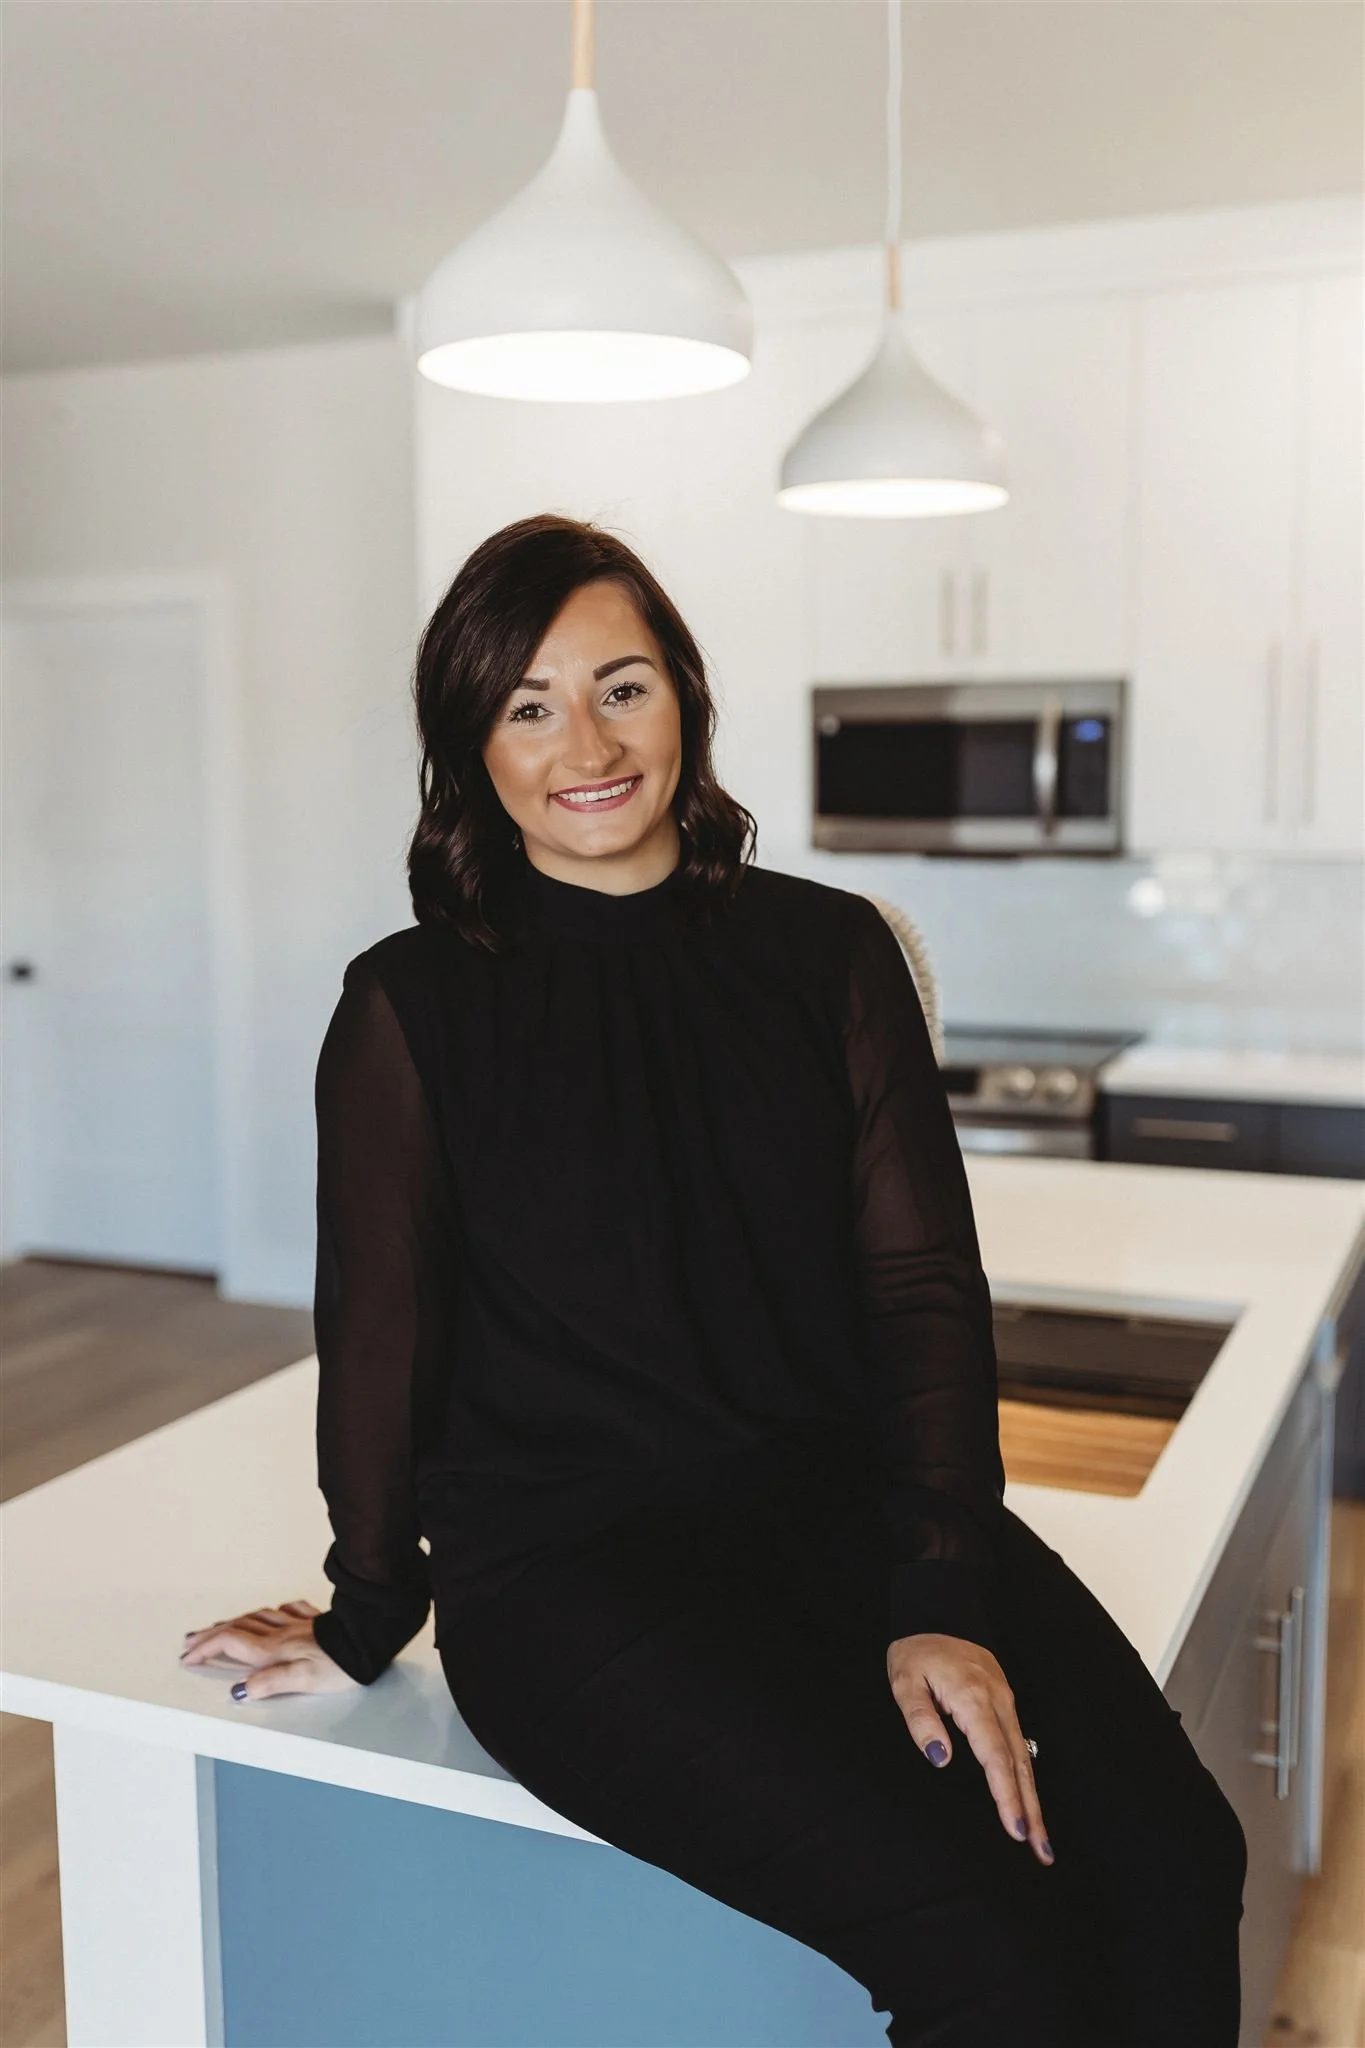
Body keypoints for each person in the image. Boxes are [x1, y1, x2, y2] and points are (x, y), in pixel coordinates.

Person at [179, 514, 1247, 2046]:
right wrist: (366, 1606)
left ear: (684, 693)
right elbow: (382, 1340)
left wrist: (941, 1587)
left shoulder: (831, 954)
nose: (585, 743)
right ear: (469, 743)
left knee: (1174, 1858)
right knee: (989, 1954)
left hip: (847, 1511)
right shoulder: (409, 1006)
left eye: (622, 686)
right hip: (575, 1577)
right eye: (526, 704)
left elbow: (924, 1292)